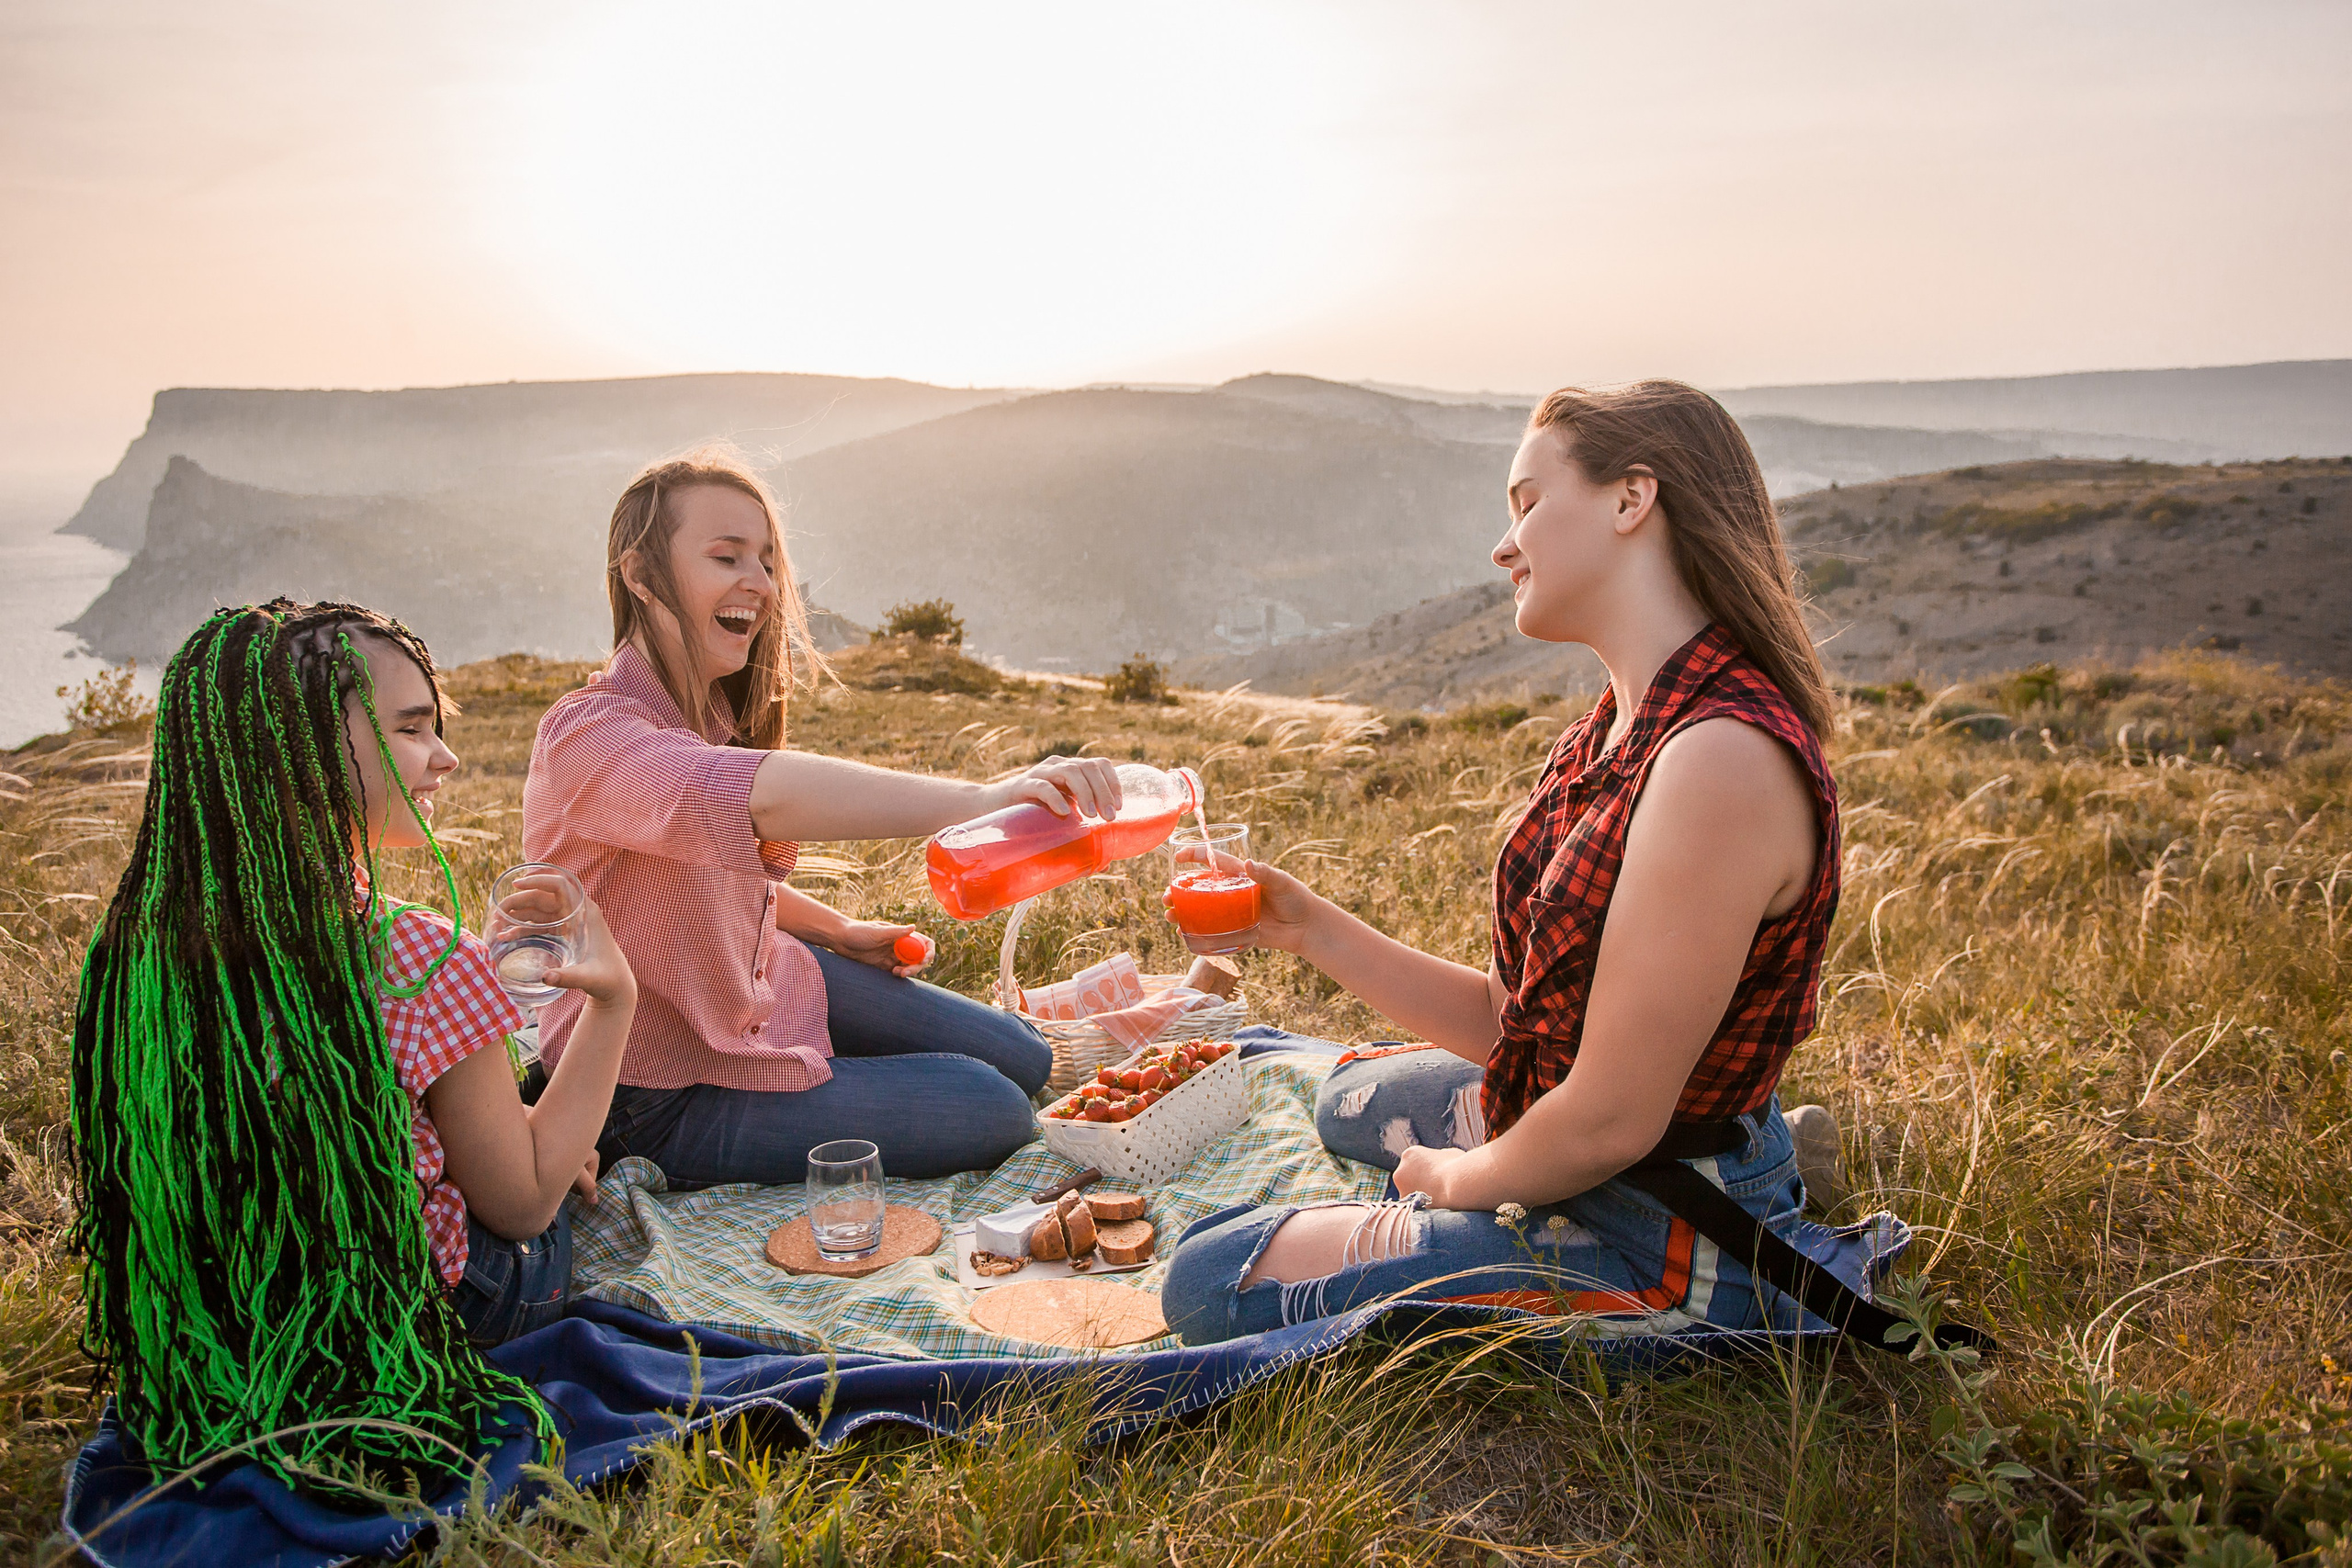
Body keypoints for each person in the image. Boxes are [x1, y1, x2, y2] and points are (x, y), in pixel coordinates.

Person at [1161, 382, 1845, 1347]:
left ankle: (1756, 1203)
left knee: (1208, 1281)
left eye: (1527, 502)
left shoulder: (1717, 762)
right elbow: (1505, 1025)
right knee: (1342, 1103)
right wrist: (1305, 924)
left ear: (1629, 499)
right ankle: (1665, 1159)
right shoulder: (1606, 736)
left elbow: (1608, 1122)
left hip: (1664, 1227)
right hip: (1592, 1136)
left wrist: (1454, 1185)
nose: (1504, 543)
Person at [73, 599, 638, 1495]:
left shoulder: (135, 952)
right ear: (296, 751)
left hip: (223, 1333)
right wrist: (613, 1001)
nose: (447, 756)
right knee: (559, 1189)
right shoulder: (411, 958)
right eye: (412, 728)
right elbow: (521, 1205)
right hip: (410, 1323)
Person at [522, 447, 1122, 1186]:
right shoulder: (588, 737)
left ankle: (826, 1075)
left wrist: (833, 930)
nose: (761, 583)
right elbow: (760, 795)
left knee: (1029, 1055)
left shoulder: (707, 713)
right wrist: (982, 798)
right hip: (652, 1091)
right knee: (995, 1107)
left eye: (767, 561)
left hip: (764, 990)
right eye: (727, 556)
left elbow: (700, 876)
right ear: (641, 575)